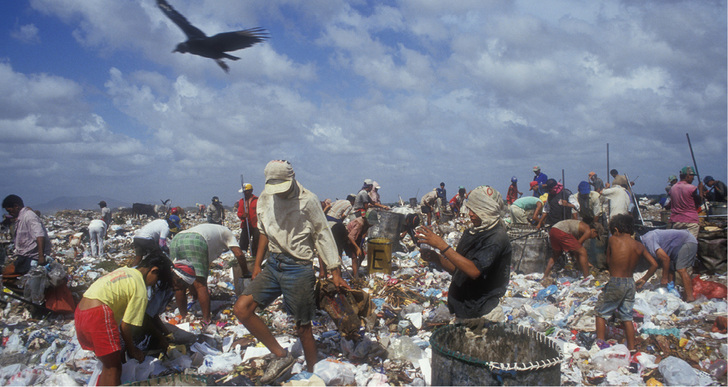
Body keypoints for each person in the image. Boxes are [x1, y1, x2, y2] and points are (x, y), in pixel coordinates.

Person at [233, 160, 349, 384]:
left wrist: (335, 271)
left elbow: (322, 234)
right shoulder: (266, 197)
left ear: (292, 179)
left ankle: (314, 376)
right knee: (242, 309)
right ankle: (281, 355)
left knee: (303, 327)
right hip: (274, 264)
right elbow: (264, 231)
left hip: (298, 268)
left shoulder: (308, 200)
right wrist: (257, 264)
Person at [74, 253, 173, 386]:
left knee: (108, 364)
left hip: (81, 312)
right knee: (114, 368)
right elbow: (126, 326)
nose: (153, 284)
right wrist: (133, 349)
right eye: (157, 280)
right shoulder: (140, 288)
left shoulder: (125, 271)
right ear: (153, 270)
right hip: (98, 314)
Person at [416, 185, 512, 321]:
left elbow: (474, 271)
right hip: (464, 312)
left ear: (488, 210)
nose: (470, 214)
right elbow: (458, 269)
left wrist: (441, 244)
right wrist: (436, 258)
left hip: (483, 315)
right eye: (470, 209)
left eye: (476, 210)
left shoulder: (496, 237)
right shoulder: (472, 232)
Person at [595, 214, 658, 351]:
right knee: (627, 317)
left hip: (616, 281)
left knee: (601, 314)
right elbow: (654, 264)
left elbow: (608, 261)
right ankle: (631, 348)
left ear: (616, 229)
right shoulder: (639, 246)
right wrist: (644, 279)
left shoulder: (613, 240)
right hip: (630, 283)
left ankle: (599, 346)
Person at [171, 223, 248, 324]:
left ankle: (183, 317)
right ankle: (206, 320)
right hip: (196, 240)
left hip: (176, 239)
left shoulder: (210, 230)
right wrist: (245, 272)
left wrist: (195, 296)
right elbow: (239, 254)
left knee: (179, 282)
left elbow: (191, 274)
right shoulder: (227, 232)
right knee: (200, 285)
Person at [140, 261, 196, 351]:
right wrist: (161, 337)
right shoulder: (158, 285)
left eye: (185, 287)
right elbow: (145, 317)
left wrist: (167, 334)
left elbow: (153, 314)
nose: (181, 289)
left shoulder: (170, 288)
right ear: (176, 277)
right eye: (182, 285)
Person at [640, 229, 697, 302]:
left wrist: (664, 277)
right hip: (677, 246)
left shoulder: (648, 240)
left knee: (681, 270)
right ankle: (673, 293)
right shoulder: (645, 242)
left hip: (687, 241)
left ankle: (690, 297)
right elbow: (662, 263)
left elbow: (666, 259)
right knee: (670, 268)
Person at [2, 195, 50, 275]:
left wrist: (41, 257)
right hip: (24, 257)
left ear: (16, 206)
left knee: (6, 275)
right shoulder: (21, 218)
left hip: (31, 258)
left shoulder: (29, 216)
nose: (10, 213)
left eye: (10, 211)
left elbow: (40, 235)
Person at [667, 166, 703, 239]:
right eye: (692, 177)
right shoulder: (692, 188)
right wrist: (701, 190)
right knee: (690, 244)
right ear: (687, 176)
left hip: (676, 221)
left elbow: (670, 204)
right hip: (690, 222)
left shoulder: (673, 188)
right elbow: (699, 202)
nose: (693, 179)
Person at [237, 183, 260, 258]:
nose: (244, 193)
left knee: (256, 242)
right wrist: (242, 216)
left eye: (246, 191)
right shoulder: (241, 201)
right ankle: (243, 257)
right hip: (245, 225)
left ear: (251, 191)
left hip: (255, 225)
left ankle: (254, 257)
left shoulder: (257, 200)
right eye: (243, 192)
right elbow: (239, 213)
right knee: (243, 242)